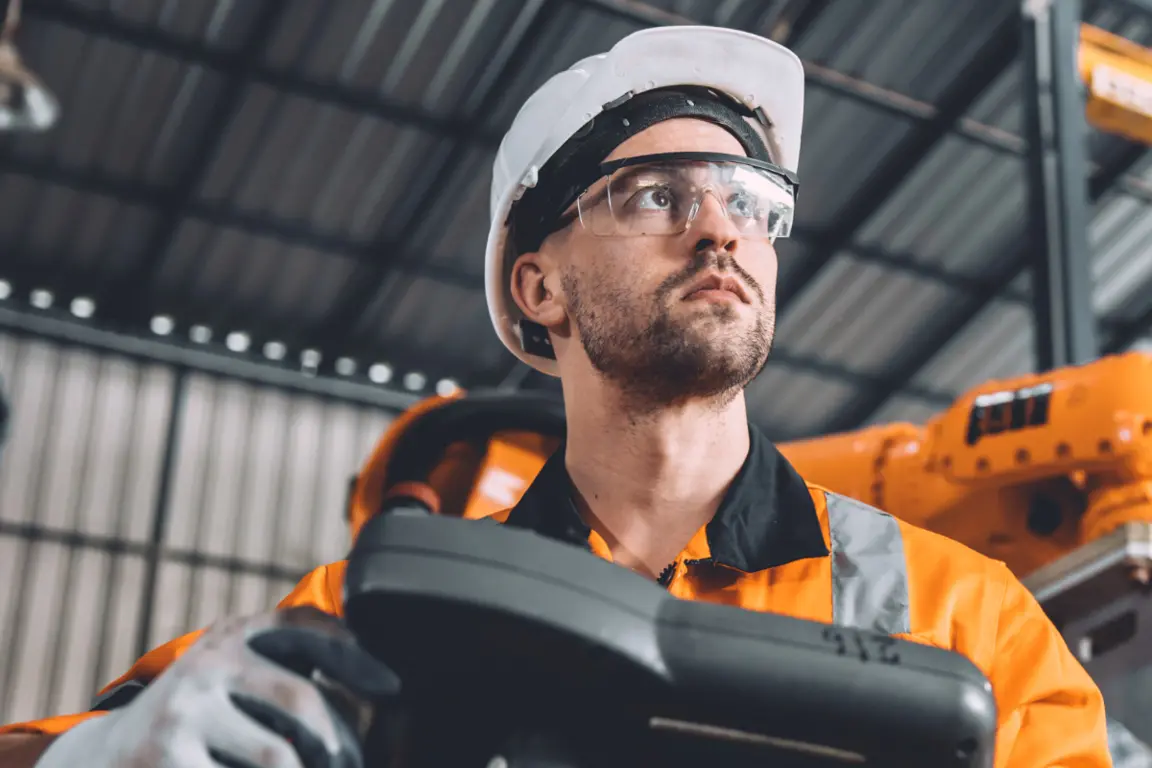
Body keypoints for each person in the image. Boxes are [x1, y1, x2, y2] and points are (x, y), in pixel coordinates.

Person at [0, 24, 1110, 768]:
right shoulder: (378, 612)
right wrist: (103, 752)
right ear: (540, 284)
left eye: (750, 199)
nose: (722, 226)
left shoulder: (968, 618)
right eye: (657, 193)